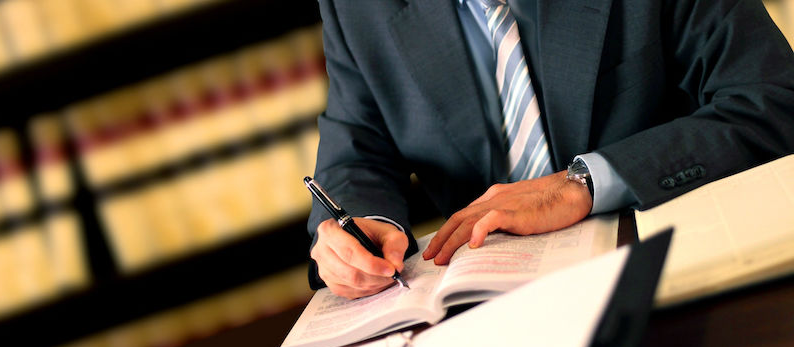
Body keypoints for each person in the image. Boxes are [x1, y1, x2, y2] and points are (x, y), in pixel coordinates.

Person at [307, 0, 794, 299]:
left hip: (671, 267)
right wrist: (366, 227)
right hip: (488, 306)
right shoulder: (355, 6)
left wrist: (584, 183)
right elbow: (356, 149)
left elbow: (773, 99)